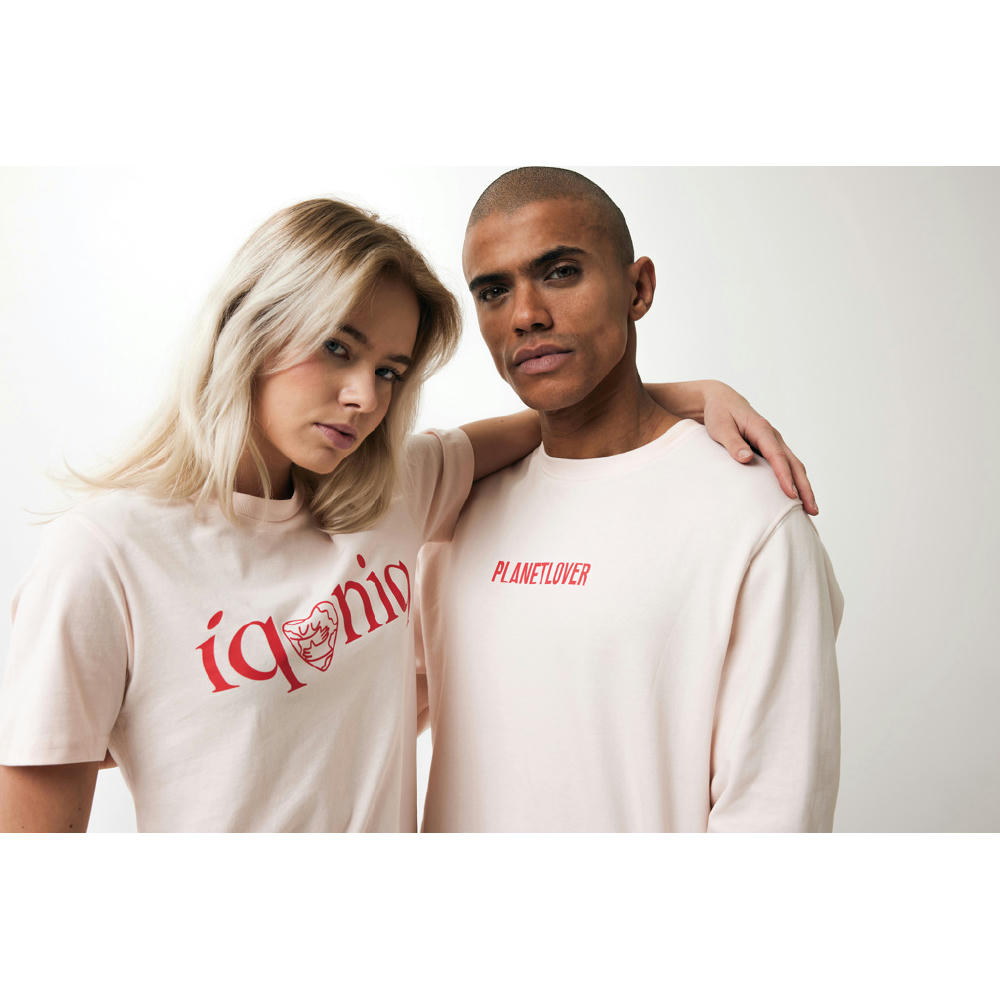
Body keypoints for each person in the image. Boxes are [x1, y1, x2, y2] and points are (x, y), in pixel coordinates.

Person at [0, 194, 814, 833]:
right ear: (251, 327)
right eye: (338, 347)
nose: (365, 398)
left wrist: (685, 396)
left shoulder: (387, 498)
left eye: (390, 370)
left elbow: (562, 417)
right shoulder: (106, 554)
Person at [416, 167, 843, 832]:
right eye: (494, 291)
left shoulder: (750, 516)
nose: (525, 315)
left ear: (638, 288)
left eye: (560, 272)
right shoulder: (453, 512)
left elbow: (774, 809)